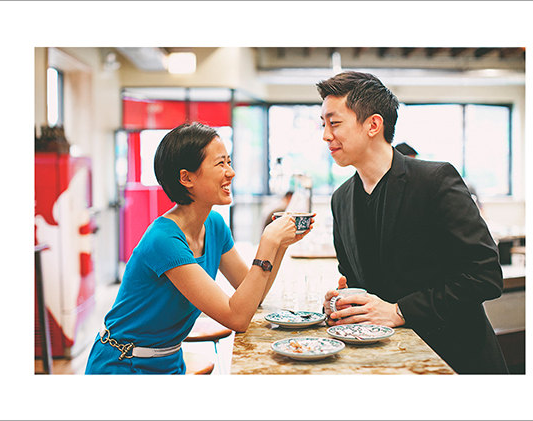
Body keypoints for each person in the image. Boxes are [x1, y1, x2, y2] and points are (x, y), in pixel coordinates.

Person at [316, 71, 508, 374]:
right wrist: (344, 303)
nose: (326, 135)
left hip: (454, 358)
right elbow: (359, 283)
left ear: (373, 125)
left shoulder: (435, 180)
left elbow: (484, 275)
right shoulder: (341, 198)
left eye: (334, 123)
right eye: (323, 124)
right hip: (386, 362)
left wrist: (399, 311)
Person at [85, 122, 313, 374]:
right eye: (220, 164)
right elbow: (237, 318)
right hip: (123, 364)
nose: (231, 172)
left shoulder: (214, 224)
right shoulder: (163, 240)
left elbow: (253, 296)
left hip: (169, 360)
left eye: (229, 162)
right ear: (186, 178)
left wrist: (279, 245)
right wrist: (267, 242)